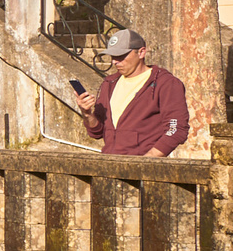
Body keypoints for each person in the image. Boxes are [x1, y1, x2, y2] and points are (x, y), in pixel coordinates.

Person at [75, 28, 189, 156]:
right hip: (109, 166)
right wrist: (87, 113)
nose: (115, 61)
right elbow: (97, 132)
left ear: (141, 53)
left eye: (121, 56)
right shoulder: (109, 84)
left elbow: (176, 129)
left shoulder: (166, 83)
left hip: (144, 170)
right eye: (113, 56)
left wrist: (147, 161)